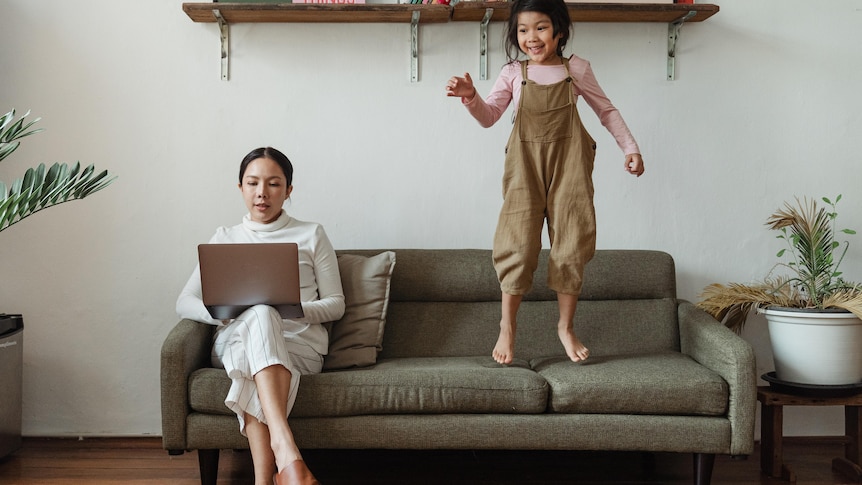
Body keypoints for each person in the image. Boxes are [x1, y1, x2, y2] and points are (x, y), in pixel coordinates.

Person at [445, 0, 644, 365]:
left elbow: (606, 110)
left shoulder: (576, 69)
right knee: (517, 246)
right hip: (524, 169)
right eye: (523, 30)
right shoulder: (512, 73)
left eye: (540, 28)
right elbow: (489, 117)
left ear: (559, 31)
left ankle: (565, 327)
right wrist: (471, 98)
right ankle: (507, 327)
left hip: (570, 167)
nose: (531, 37)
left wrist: (630, 148)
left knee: (570, 245)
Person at [176, 147, 345, 485]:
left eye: (273, 184)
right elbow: (184, 301)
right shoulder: (225, 238)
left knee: (262, 321)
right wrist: (227, 315)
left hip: (299, 344)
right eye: (252, 183)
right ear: (240, 187)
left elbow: (336, 303)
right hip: (236, 336)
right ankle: (287, 454)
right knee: (259, 314)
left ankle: (264, 480)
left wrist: (289, 309)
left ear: (288, 190)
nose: (261, 193)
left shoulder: (311, 234)